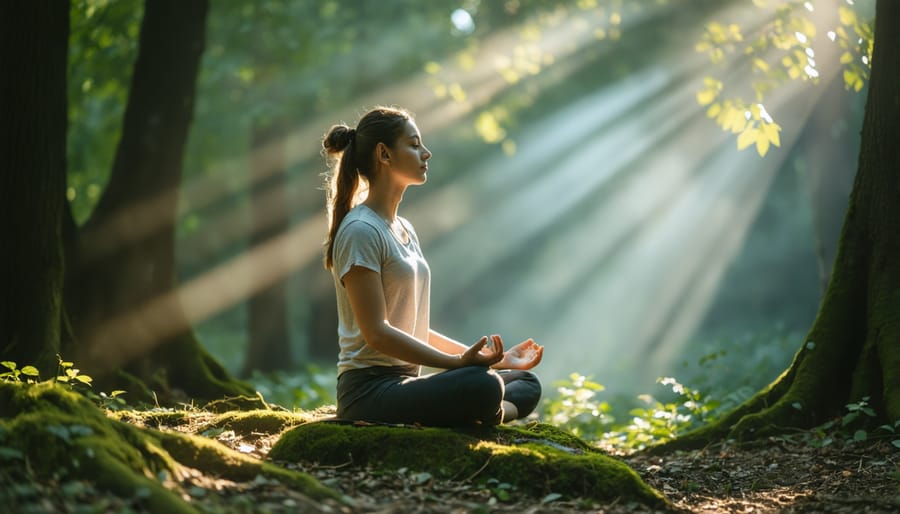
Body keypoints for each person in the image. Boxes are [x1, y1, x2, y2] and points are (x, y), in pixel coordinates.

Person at [321, 105, 544, 427]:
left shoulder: (404, 228)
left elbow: (412, 327)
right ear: (384, 154)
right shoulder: (361, 230)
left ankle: (484, 413)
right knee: (482, 384)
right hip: (369, 392)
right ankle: (487, 414)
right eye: (414, 144)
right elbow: (377, 333)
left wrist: (492, 360)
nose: (426, 153)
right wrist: (457, 364)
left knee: (525, 382)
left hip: (405, 384)